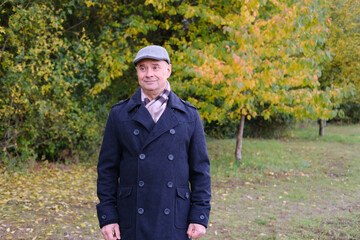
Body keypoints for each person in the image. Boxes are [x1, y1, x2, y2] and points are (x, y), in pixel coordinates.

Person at [96, 45, 211, 240]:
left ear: (168, 70)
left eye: (155, 67)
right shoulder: (119, 114)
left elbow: (200, 171)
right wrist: (108, 216)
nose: (149, 74)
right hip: (130, 217)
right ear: (137, 72)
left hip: (176, 217)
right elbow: (107, 170)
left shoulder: (189, 115)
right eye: (143, 68)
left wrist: (199, 216)